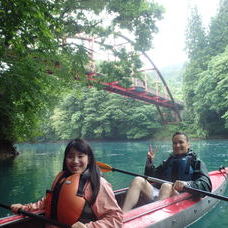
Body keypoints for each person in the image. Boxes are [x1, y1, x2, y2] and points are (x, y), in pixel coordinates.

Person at [11, 139, 123, 228]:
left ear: (89, 159)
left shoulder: (98, 184)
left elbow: (115, 219)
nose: (75, 161)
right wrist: (25, 208)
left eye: (80, 156)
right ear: (65, 159)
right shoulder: (62, 178)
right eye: (70, 156)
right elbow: (48, 201)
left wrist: (89, 227)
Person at [122, 132, 212, 212]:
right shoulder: (168, 161)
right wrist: (149, 161)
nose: (177, 145)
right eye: (174, 143)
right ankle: (123, 215)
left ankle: (155, 217)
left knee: (166, 186)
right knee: (138, 180)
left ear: (188, 144)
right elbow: (151, 177)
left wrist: (187, 184)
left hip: (180, 197)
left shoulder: (196, 162)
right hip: (161, 196)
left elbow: (206, 186)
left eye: (181, 142)